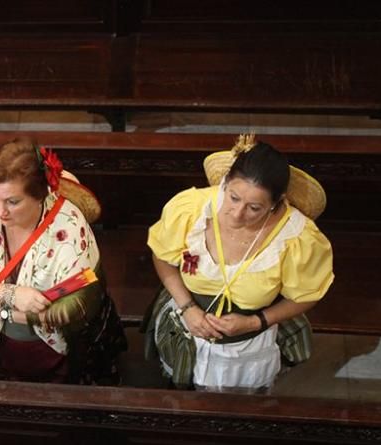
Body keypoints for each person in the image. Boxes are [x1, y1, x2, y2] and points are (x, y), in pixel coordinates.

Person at [143, 134, 334, 392]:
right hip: (187, 318)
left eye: (254, 208)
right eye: (233, 197)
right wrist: (188, 307)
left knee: (242, 399)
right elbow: (163, 257)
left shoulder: (297, 238)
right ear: (225, 182)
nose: (237, 213)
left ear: (277, 203)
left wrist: (256, 322)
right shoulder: (190, 209)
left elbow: (306, 296)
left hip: (252, 337)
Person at [0, 137, 126, 384]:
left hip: (59, 347)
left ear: (40, 195)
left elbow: (75, 308)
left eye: (13, 201)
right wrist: (12, 294)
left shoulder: (69, 226)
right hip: (2, 340)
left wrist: (1, 311)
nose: (0, 211)